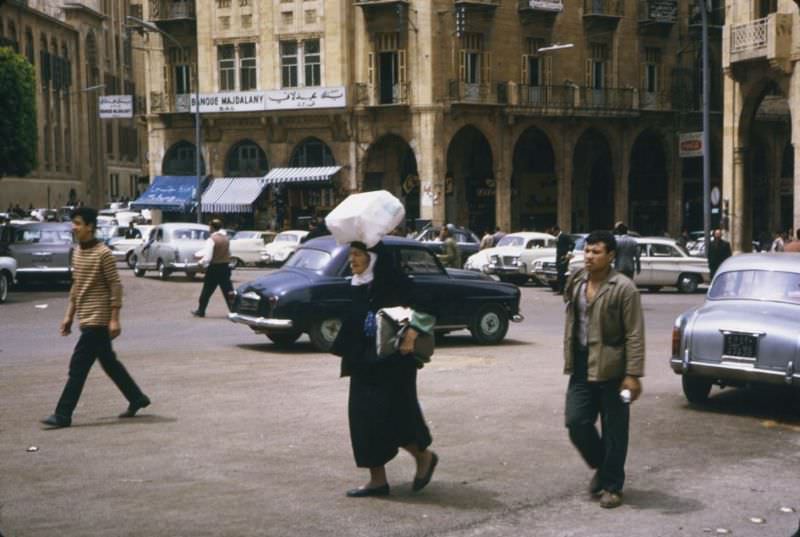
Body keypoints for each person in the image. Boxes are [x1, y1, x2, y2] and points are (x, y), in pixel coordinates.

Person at [330, 241, 438, 497]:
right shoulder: (357, 284)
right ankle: (377, 480)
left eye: (357, 255)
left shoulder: (393, 281)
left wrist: (412, 333)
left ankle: (424, 457)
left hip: (393, 362)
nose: (352, 260)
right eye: (351, 254)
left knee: (396, 415)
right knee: (363, 419)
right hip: (363, 361)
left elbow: (428, 306)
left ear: (373, 258)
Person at [41, 207, 150, 428]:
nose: (74, 227)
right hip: (85, 316)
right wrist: (68, 316)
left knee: (78, 366)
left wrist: (114, 318)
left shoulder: (104, 254)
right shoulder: (78, 251)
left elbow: (115, 285)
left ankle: (63, 414)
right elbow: (77, 285)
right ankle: (137, 398)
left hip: (98, 319)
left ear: (90, 226)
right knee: (109, 363)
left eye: (78, 223)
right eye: (74, 223)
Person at [563, 230, 645, 509]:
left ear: (610, 256)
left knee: (615, 430)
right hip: (582, 366)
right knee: (576, 421)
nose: (589, 257)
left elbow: (634, 333)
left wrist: (633, 375)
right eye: (586, 251)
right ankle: (603, 465)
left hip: (615, 370)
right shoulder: (576, 281)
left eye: (596, 252)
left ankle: (612, 486)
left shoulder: (624, 288)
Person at [191, 218, 234, 318]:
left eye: (210, 226)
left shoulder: (211, 240)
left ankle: (201, 310)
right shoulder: (226, 239)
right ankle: (234, 310)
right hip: (225, 267)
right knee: (228, 291)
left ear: (212, 227)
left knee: (207, 290)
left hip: (214, 268)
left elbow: (208, 256)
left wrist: (201, 263)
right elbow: (229, 253)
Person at [554, 225, 575, 295]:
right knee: (559, 273)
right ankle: (560, 289)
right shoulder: (557, 237)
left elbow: (572, 243)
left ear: (557, 230)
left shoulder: (564, 236)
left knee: (562, 273)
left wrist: (569, 252)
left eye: (554, 232)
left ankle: (562, 290)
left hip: (563, 257)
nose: (553, 233)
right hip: (558, 256)